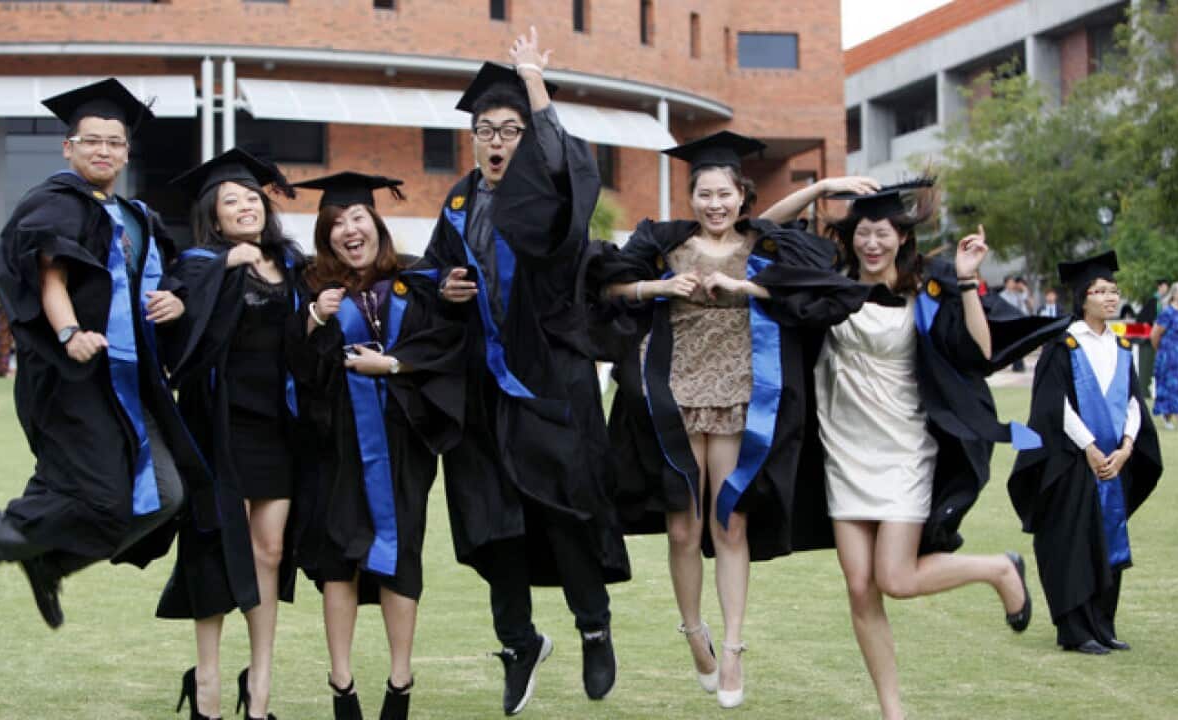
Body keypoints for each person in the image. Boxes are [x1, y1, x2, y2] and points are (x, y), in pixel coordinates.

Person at [757, 178, 1068, 720]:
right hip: (842, 452)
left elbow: (982, 350)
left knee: (895, 579)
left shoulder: (926, 288)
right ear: (851, 237)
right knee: (860, 588)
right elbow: (762, 233)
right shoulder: (831, 277)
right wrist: (824, 187)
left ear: (902, 237)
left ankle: (998, 568)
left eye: (883, 232)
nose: (871, 242)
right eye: (863, 232)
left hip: (904, 450)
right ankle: (892, 710)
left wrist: (969, 283)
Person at [597, 136, 872, 709]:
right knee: (683, 529)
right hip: (673, 398)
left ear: (741, 197)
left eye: (725, 194)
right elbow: (610, 286)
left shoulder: (760, 245)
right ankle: (694, 630)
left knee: (731, 525)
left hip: (740, 396)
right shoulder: (664, 242)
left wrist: (819, 191)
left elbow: (808, 276)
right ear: (691, 196)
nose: (714, 203)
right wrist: (660, 286)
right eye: (705, 193)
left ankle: (733, 648)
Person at [418, 29, 628, 716]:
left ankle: (593, 628)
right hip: (482, 386)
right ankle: (517, 644)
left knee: (563, 510)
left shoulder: (548, 191)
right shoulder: (458, 202)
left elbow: (569, 168)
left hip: (549, 383)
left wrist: (534, 79)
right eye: (486, 129)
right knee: (490, 521)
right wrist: (442, 286)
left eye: (511, 128)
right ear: (473, 139)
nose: (497, 140)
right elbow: (429, 274)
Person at [0, 78, 198, 630]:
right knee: (100, 494)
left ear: (126, 152)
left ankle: (50, 563)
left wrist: (175, 301)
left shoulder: (138, 217)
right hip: (75, 377)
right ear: (68, 147)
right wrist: (70, 334)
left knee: (165, 496)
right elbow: (51, 278)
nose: (103, 151)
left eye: (114, 142)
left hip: (133, 384)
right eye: (91, 140)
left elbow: (171, 273)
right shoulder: (56, 203)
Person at [287, 171, 464, 720]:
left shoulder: (417, 280)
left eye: (357, 217)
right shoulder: (311, 288)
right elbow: (293, 369)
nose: (348, 229)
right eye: (336, 223)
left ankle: (400, 681)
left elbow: (446, 347)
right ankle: (342, 685)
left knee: (400, 558)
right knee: (339, 559)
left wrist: (389, 364)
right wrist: (315, 319)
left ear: (376, 223)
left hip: (403, 440)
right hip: (334, 444)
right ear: (325, 235)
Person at [156, 148, 309, 720]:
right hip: (218, 425)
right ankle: (209, 683)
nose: (245, 206)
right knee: (218, 549)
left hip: (277, 428)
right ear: (214, 219)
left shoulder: (291, 266)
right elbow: (178, 300)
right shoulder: (201, 264)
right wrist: (224, 265)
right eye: (231, 202)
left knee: (269, 551)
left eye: (251, 198)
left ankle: (261, 682)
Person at [1008, 251, 1162, 655]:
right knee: (1074, 541)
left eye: (1114, 290)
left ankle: (1103, 624)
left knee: (1108, 540)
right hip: (1074, 461)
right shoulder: (1064, 344)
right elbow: (1054, 405)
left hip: (1115, 461)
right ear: (1083, 298)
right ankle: (1076, 629)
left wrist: (1128, 447)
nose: (1110, 298)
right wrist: (1090, 447)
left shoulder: (1122, 345)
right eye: (1100, 291)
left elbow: (1133, 402)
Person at [1150, 281, 1178, 431]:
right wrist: (1162, 351)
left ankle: (1167, 415)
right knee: (1173, 387)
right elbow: (1155, 335)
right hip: (1171, 358)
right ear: (1174, 295)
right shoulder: (1167, 312)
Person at [1000, 275, 1033, 371]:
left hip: (1019, 322)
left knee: (1019, 344)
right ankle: (1017, 365)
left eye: (1013, 282)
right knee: (1014, 345)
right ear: (1006, 284)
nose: (1012, 284)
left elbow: (1026, 302)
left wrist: (1024, 289)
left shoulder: (1017, 294)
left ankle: (1018, 365)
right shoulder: (1002, 295)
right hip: (1009, 322)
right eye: (1010, 282)